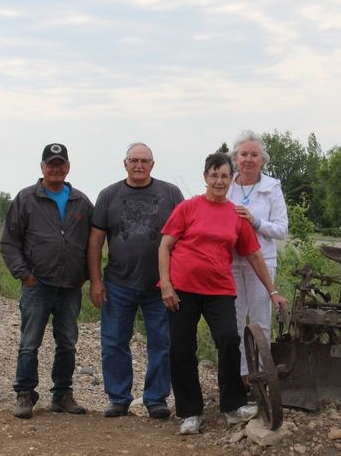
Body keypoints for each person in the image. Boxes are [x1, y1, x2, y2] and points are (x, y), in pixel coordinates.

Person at [158, 152, 287, 435]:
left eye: (224, 176)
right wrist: (166, 284)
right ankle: (190, 412)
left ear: (231, 180)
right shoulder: (188, 208)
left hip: (219, 289)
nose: (219, 181)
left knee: (229, 340)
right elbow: (165, 246)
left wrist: (273, 291)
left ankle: (232, 405)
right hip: (182, 290)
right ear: (205, 177)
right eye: (214, 175)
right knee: (181, 348)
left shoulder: (236, 215)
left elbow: (254, 256)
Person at [87, 143, 184, 419]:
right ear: (124, 163)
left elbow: (184, 235)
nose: (139, 165)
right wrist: (96, 280)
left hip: (161, 285)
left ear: (153, 164)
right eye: (134, 160)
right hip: (118, 283)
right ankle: (118, 398)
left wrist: (176, 280)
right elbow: (95, 241)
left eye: (144, 160)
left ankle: (156, 399)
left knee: (161, 342)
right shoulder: (109, 195)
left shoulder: (170, 193)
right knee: (114, 342)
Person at [0, 143, 93, 419]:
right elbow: (9, 242)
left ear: (68, 167)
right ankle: (25, 394)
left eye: (60, 164)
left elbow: (94, 241)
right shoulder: (26, 199)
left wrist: (87, 275)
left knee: (67, 343)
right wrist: (25, 275)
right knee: (30, 342)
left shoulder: (81, 201)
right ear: (42, 167)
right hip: (37, 284)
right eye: (51, 164)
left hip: (70, 287)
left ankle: (62, 394)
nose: (56, 169)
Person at [227, 130, 288, 389]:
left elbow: (281, 229)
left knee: (261, 320)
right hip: (230, 260)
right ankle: (241, 378)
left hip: (262, 259)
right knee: (235, 320)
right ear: (235, 158)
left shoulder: (271, 187)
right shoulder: (225, 184)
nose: (248, 160)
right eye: (243, 155)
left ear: (262, 160)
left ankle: (261, 378)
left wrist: (255, 221)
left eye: (254, 155)